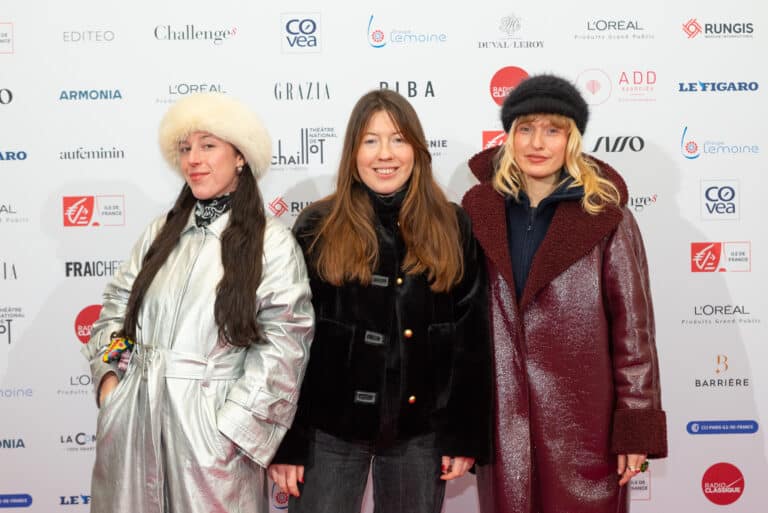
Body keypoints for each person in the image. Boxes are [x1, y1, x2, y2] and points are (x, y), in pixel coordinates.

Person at [81, 93, 315, 513]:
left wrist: (232, 430)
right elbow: (118, 309)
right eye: (186, 148)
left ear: (240, 156)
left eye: (208, 145)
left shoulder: (272, 243)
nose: (194, 159)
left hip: (211, 440)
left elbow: (284, 344)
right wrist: (112, 381)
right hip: (134, 425)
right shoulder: (161, 232)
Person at [267, 89, 492, 513]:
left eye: (398, 139)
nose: (384, 154)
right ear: (353, 151)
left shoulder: (452, 224)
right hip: (326, 432)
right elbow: (288, 341)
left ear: (417, 150)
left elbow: (471, 339)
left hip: (420, 435)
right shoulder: (317, 225)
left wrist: (463, 435)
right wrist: (287, 440)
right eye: (370, 140)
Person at [461, 75, 667, 513]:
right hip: (503, 425)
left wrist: (634, 427)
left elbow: (633, 334)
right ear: (510, 135)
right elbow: (460, 326)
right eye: (526, 128)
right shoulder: (478, 211)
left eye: (552, 130)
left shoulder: (606, 217)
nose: (537, 143)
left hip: (586, 428)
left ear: (572, 138)